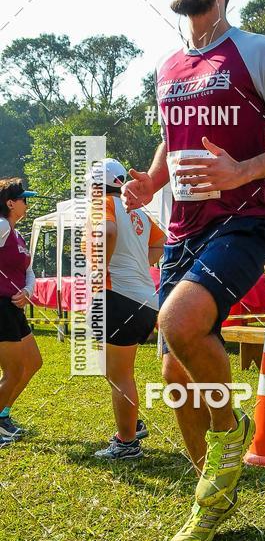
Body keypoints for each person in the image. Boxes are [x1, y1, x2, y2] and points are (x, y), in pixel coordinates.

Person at [121, 0, 265, 541]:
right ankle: (211, 491)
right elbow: (172, 138)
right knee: (173, 369)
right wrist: (153, 178)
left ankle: (231, 437)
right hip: (182, 229)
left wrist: (241, 171)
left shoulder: (258, 52)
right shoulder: (168, 68)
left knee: (179, 323)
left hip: (243, 224)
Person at [85, 159, 166, 460]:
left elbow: (105, 232)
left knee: (117, 375)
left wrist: (101, 269)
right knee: (119, 373)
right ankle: (132, 425)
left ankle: (127, 443)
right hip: (144, 298)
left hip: (115, 295)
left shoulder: (101, 203)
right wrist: (137, 267)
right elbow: (161, 244)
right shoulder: (138, 213)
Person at [0, 179, 43, 445]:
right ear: (10, 203)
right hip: (1, 306)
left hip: (14, 307)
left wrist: (27, 291)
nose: (27, 203)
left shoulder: (17, 234)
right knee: (14, 371)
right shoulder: (2, 225)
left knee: (34, 363)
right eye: (23, 199)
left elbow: (29, 271)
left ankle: (3, 415)